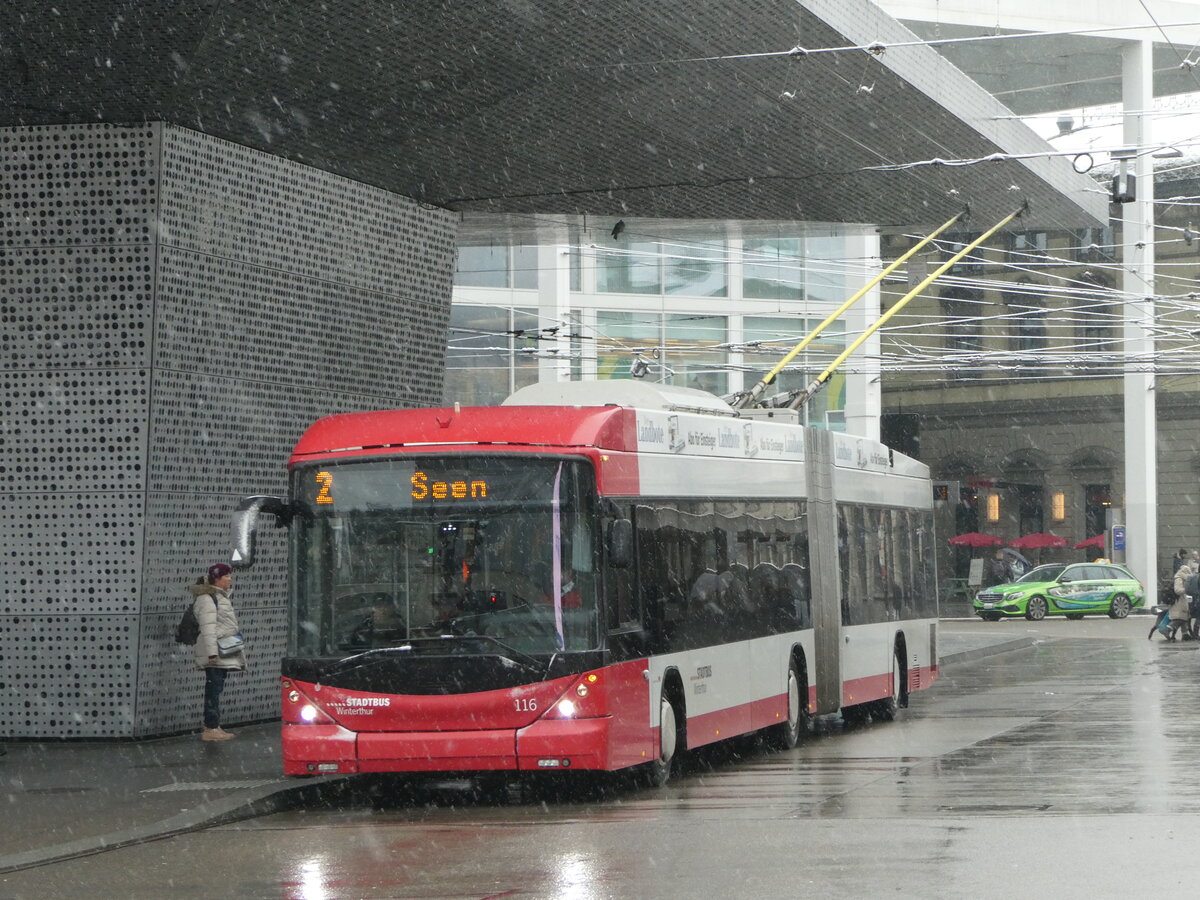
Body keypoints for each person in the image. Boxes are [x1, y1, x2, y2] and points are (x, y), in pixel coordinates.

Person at [189, 562, 246, 741]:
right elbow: (208, 628)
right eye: (226, 576)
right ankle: (211, 728)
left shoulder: (220, 596)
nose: (230, 579)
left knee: (216, 687)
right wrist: (213, 653)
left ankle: (213, 726)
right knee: (213, 689)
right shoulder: (208, 598)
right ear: (217, 578)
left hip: (220, 651)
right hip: (215, 652)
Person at [1168, 554, 1198, 641]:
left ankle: (1185, 634)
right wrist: (1186, 590)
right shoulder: (1179, 578)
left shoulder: (1182, 578)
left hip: (1182, 600)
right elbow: (1177, 590)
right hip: (1179, 601)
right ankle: (1170, 629)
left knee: (1184, 617)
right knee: (1180, 618)